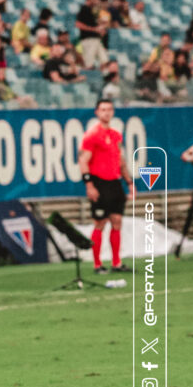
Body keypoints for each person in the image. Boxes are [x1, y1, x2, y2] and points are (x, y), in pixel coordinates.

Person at [79, 99, 134, 273]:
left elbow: (120, 160)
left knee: (117, 221)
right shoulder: (92, 135)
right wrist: (89, 185)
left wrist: (129, 182)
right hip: (99, 182)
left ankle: (116, 262)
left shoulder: (116, 135)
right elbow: (83, 160)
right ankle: (97, 264)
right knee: (100, 222)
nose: (106, 113)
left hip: (115, 182)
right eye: (103, 109)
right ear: (97, 112)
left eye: (109, 109)